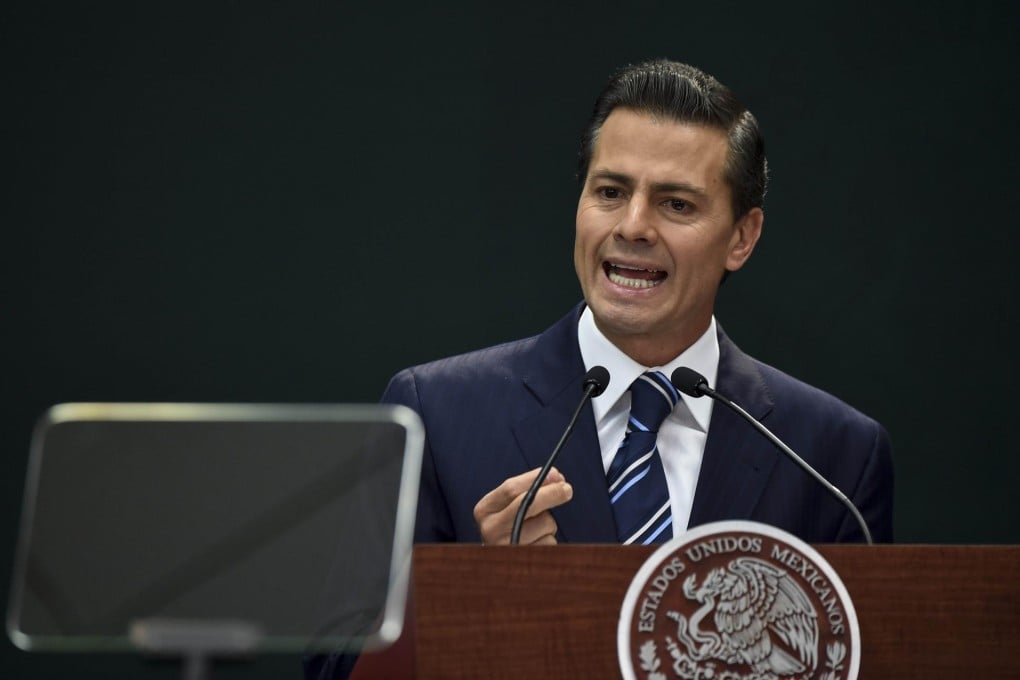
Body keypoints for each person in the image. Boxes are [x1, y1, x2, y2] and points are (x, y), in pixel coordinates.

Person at [384, 59, 894, 548]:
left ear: (742, 237)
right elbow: (342, 640)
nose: (631, 226)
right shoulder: (436, 414)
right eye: (610, 191)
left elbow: (861, 638)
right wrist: (477, 589)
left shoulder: (833, 456)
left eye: (677, 204)